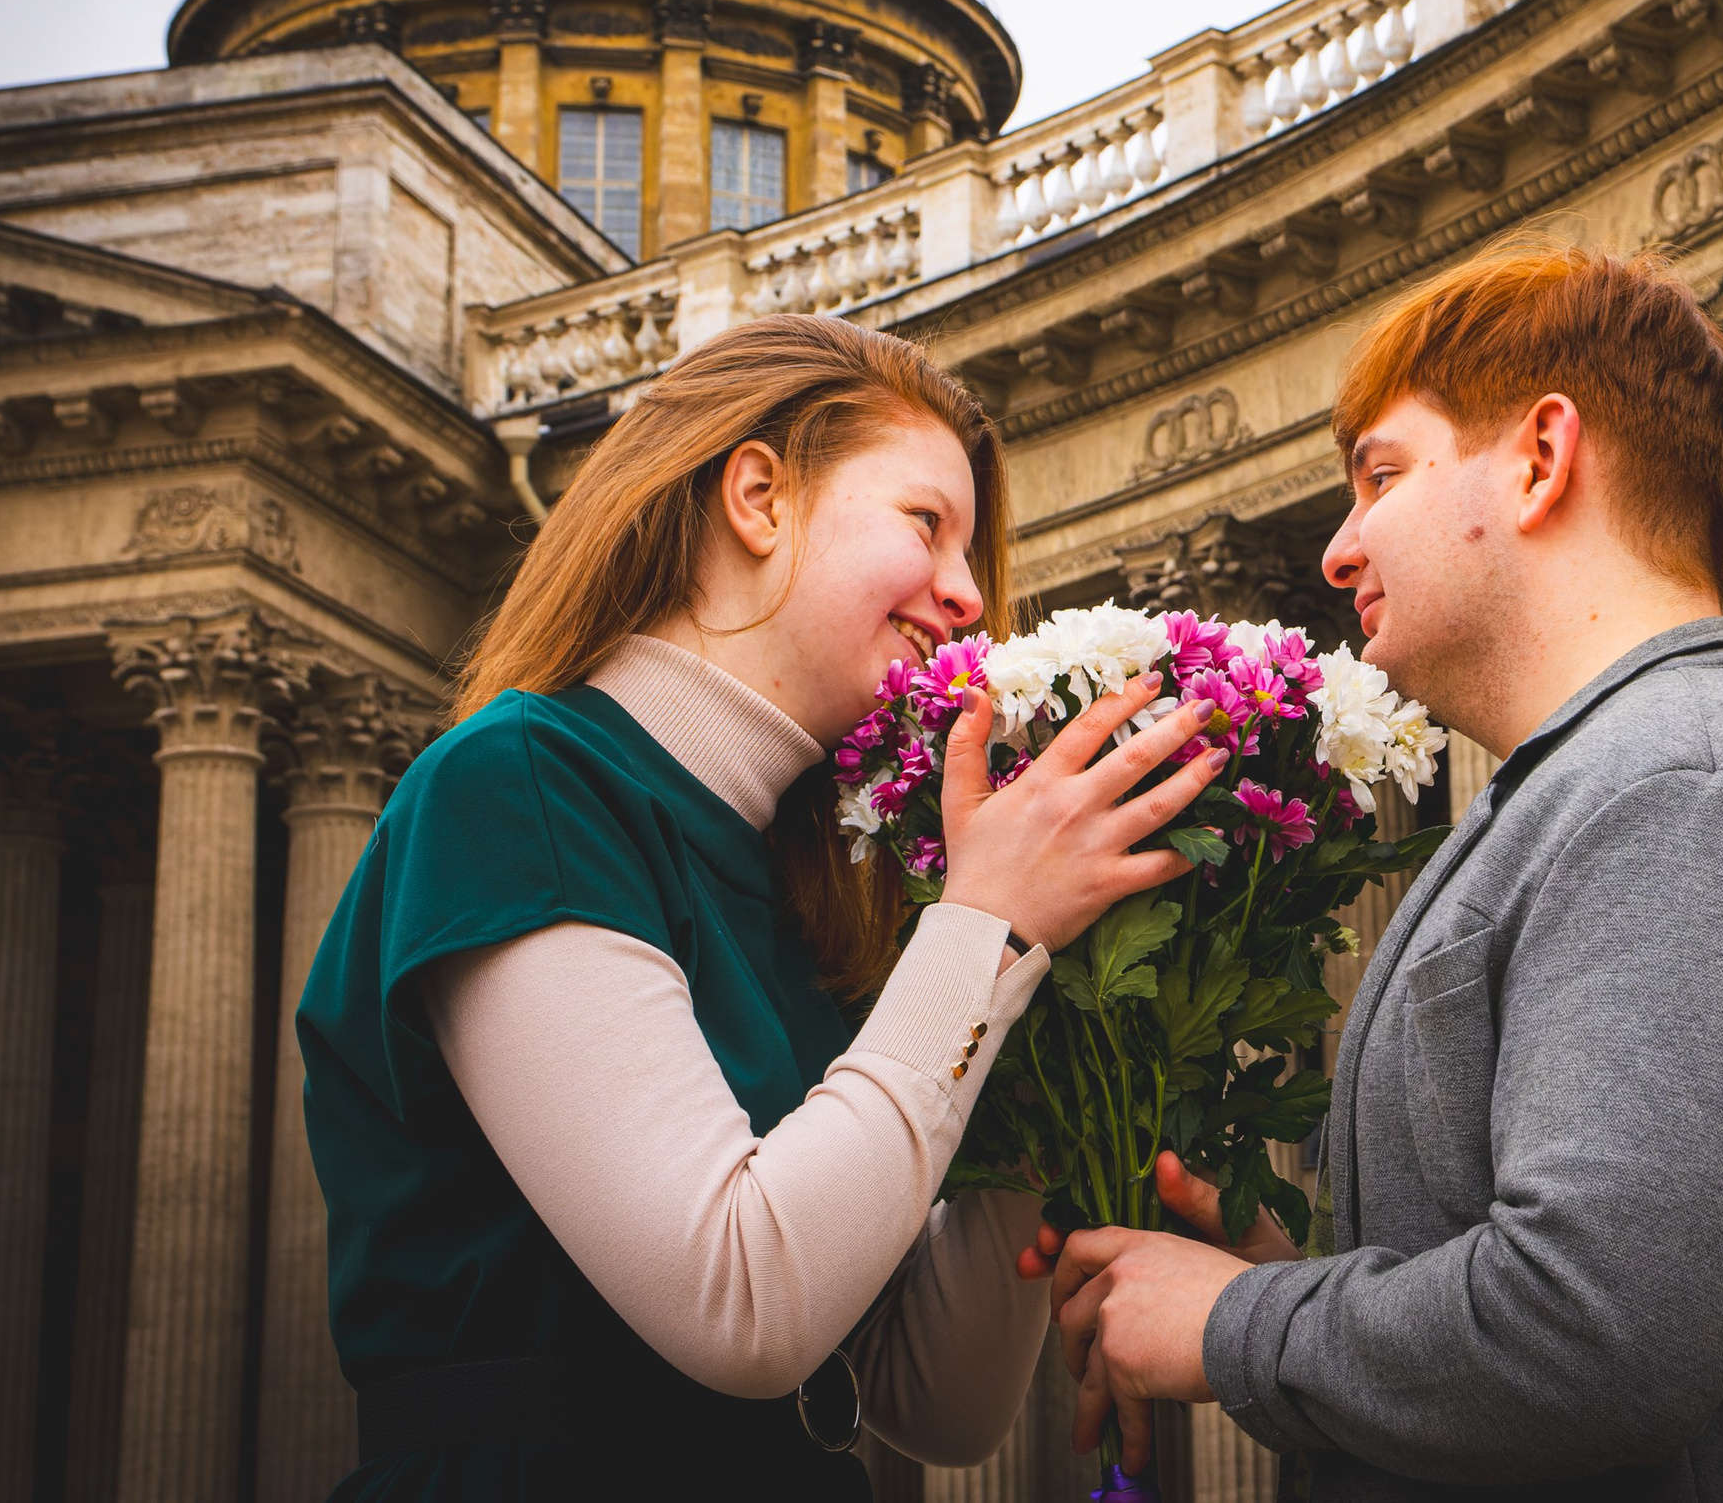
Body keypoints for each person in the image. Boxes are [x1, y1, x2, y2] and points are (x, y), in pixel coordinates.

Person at [1033, 243, 1723, 1499]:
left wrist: (1232, 1327)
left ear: (1540, 457)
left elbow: (1598, 1336)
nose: (1337, 550)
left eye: (1382, 474)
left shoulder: (1681, 790)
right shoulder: (1606, 780)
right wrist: (1276, 1291)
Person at [297, 315, 1231, 1501]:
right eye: (926, 523)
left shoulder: (806, 884)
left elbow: (938, 1399)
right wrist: (989, 928)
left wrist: (1041, 1032)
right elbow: (743, 1303)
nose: (967, 595)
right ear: (757, 496)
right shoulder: (522, 780)